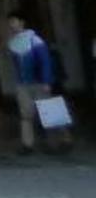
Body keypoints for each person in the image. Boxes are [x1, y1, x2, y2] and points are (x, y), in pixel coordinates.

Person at [5, 12, 68, 154]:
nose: (11, 24)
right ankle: (27, 145)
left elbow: (45, 61)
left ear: (22, 22)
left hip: (38, 81)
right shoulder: (13, 42)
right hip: (23, 84)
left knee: (48, 112)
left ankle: (60, 140)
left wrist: (46, 81)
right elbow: (15, 64)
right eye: (10, 22)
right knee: (25, 114)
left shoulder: (35, 40)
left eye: (14, 21)